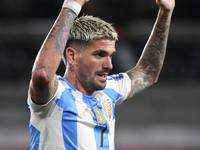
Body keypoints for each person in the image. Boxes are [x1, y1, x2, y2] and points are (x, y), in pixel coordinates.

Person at [27, 0, 175, 149]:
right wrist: (71, 6)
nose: (109, 65)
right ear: (72, 56)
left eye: (111, 56)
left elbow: (148, 71)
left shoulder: (109, 90)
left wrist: (165, 12)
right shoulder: (56, 96)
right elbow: (42, 74)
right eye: (99, 55)